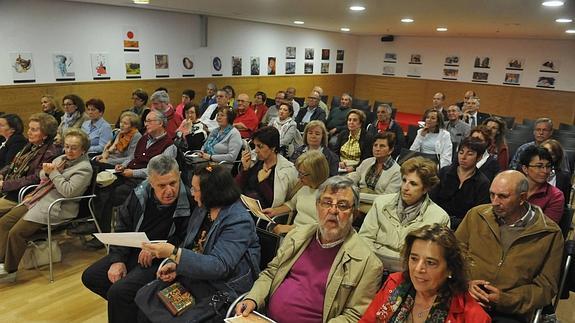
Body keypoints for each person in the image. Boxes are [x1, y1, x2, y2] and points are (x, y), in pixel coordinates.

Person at [235, 176, 383, 322]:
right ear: (317, 207)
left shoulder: (368, 264)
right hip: (265, 317)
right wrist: (252, 299)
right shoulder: (296, 236)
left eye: (342, 205)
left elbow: (354, 316)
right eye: (327, 202)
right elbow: (271, 273)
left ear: (354, 214)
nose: (333, 210)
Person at [135, 164, 260, 322]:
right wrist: (177, 266)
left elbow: (219, 267)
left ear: (211, 192)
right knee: (145, 300)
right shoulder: (203, 209)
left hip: (220, 288)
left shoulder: (238, 221)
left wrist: (174, 253)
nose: (192, 194)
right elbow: (192, 247)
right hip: (197, 278)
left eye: (195, 189)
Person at [82, 155, 191, 322]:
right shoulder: (140, 193)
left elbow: (187, 239)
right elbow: (123, 225)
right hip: (134, 247)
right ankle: (134, 311)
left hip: (161, 258)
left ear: (179, 175)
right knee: (91, 276)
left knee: (118, 292)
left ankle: (130, 309)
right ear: (151, 182)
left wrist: (157, 248)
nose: (169, 191)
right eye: (161, 185)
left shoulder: (190, 200)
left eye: (173, 183)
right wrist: (118, 260)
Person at [456, 171, 564, 322]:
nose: (494, 201)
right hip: (465, 297)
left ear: (522, 198)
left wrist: (505, 299)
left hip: (510, 311)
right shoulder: (476, 215)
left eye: (503, 196)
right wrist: (466, 283)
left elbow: (546, 287)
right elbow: (454, 255)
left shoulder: (549, 233)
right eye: (492, 194)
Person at [0, 128, 93, 283]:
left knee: (17, 232)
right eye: (67, 146)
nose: (68, 150)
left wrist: (54, 173)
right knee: (3, 223)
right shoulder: (61, 158)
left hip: (58, 207)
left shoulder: (84, 168)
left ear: (83, 150)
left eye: (74, 148)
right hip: (38, 199)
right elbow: (43, 175)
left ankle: (10, 270)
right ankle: (1, 260)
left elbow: (68, 192)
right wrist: (48, 171)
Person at [360, 224, 491, 323]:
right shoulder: (394, 284)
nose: (418, 269)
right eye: (414, 258)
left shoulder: (473, 316)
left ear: (450, 268)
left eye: (430, 262)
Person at [90, 110, 177, 245]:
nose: (145, 124)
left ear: (160, 123)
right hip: (127, 174)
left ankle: (108, 234)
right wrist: (123, 166)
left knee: (112, 194)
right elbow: (133, 157)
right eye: (145, 121)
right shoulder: (144, 138)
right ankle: (100, 229)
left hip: (145, 181)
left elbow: (160, 172)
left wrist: (133, 173)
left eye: (149, 121)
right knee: (99, 188)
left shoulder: (169, 145)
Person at [359, 157, 449, 271]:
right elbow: (364, 239)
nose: (405, 187)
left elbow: (432, 259)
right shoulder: (381, 203)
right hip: (373, 266)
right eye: (404, 180)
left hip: (412, 274)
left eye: (413, 184)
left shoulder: (439, 217)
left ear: (425, 189)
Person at [0, 113, 60, 216]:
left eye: (34, 130)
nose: (29, 132)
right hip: (11, 188)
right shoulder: (30, 145)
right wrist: (1, 174)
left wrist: (5, 185)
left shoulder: (50, 153)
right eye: (29, 128)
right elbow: (13, 164)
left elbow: (35, 178)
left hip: (22, 193)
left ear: (45, 134)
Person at [263, 150, 330, 235]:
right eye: (299, 173)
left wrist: (292, 228)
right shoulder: (304, 187)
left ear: (315, 174)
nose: (299, 177)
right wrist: (275, 211)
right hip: (295, 233)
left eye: (302, 174)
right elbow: (291, 204)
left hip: (310, 236)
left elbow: (322, 226)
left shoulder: (328, 196)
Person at [430, 137, 491, 230]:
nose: (463, 157)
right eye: (461, 152)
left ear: (479, 158)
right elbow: (431, 199)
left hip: (463, 227)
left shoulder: (482, 183)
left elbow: (478, 214)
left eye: (469, 154)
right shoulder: (444, 172)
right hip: (436, 220)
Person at [236, 126, 298, 209]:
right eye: (255, 146)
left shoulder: (285, 170)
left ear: (273, 148)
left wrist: (263, 182)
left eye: (260, 146)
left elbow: (274, 203)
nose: (256, 150)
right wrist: (245, 170)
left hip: (261, 213)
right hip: (244, 203)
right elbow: (236, 188)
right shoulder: (257, 162)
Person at [348, 132, 401, 214]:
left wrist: (357, 195)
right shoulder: (367, 161)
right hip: (359, 199)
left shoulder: (397, 172)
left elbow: (386, 198)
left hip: (379, 206)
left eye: (382, 146)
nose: (377, 148)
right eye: (375, 145)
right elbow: (356, 175)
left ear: (390, 150)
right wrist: (348, 184)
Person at [518, 145, 564, 223]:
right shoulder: (512, 187)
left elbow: (547, 227)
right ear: (525, 169)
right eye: (539, 166)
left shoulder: (556, 196)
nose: (545, 171)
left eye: (548, 166)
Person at [541, 139, 571, 205]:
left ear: (557, 157)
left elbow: (564, 202)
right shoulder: (529, 171)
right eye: (544, 152)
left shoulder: (564, 177)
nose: (547, 156)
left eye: (551, 154)